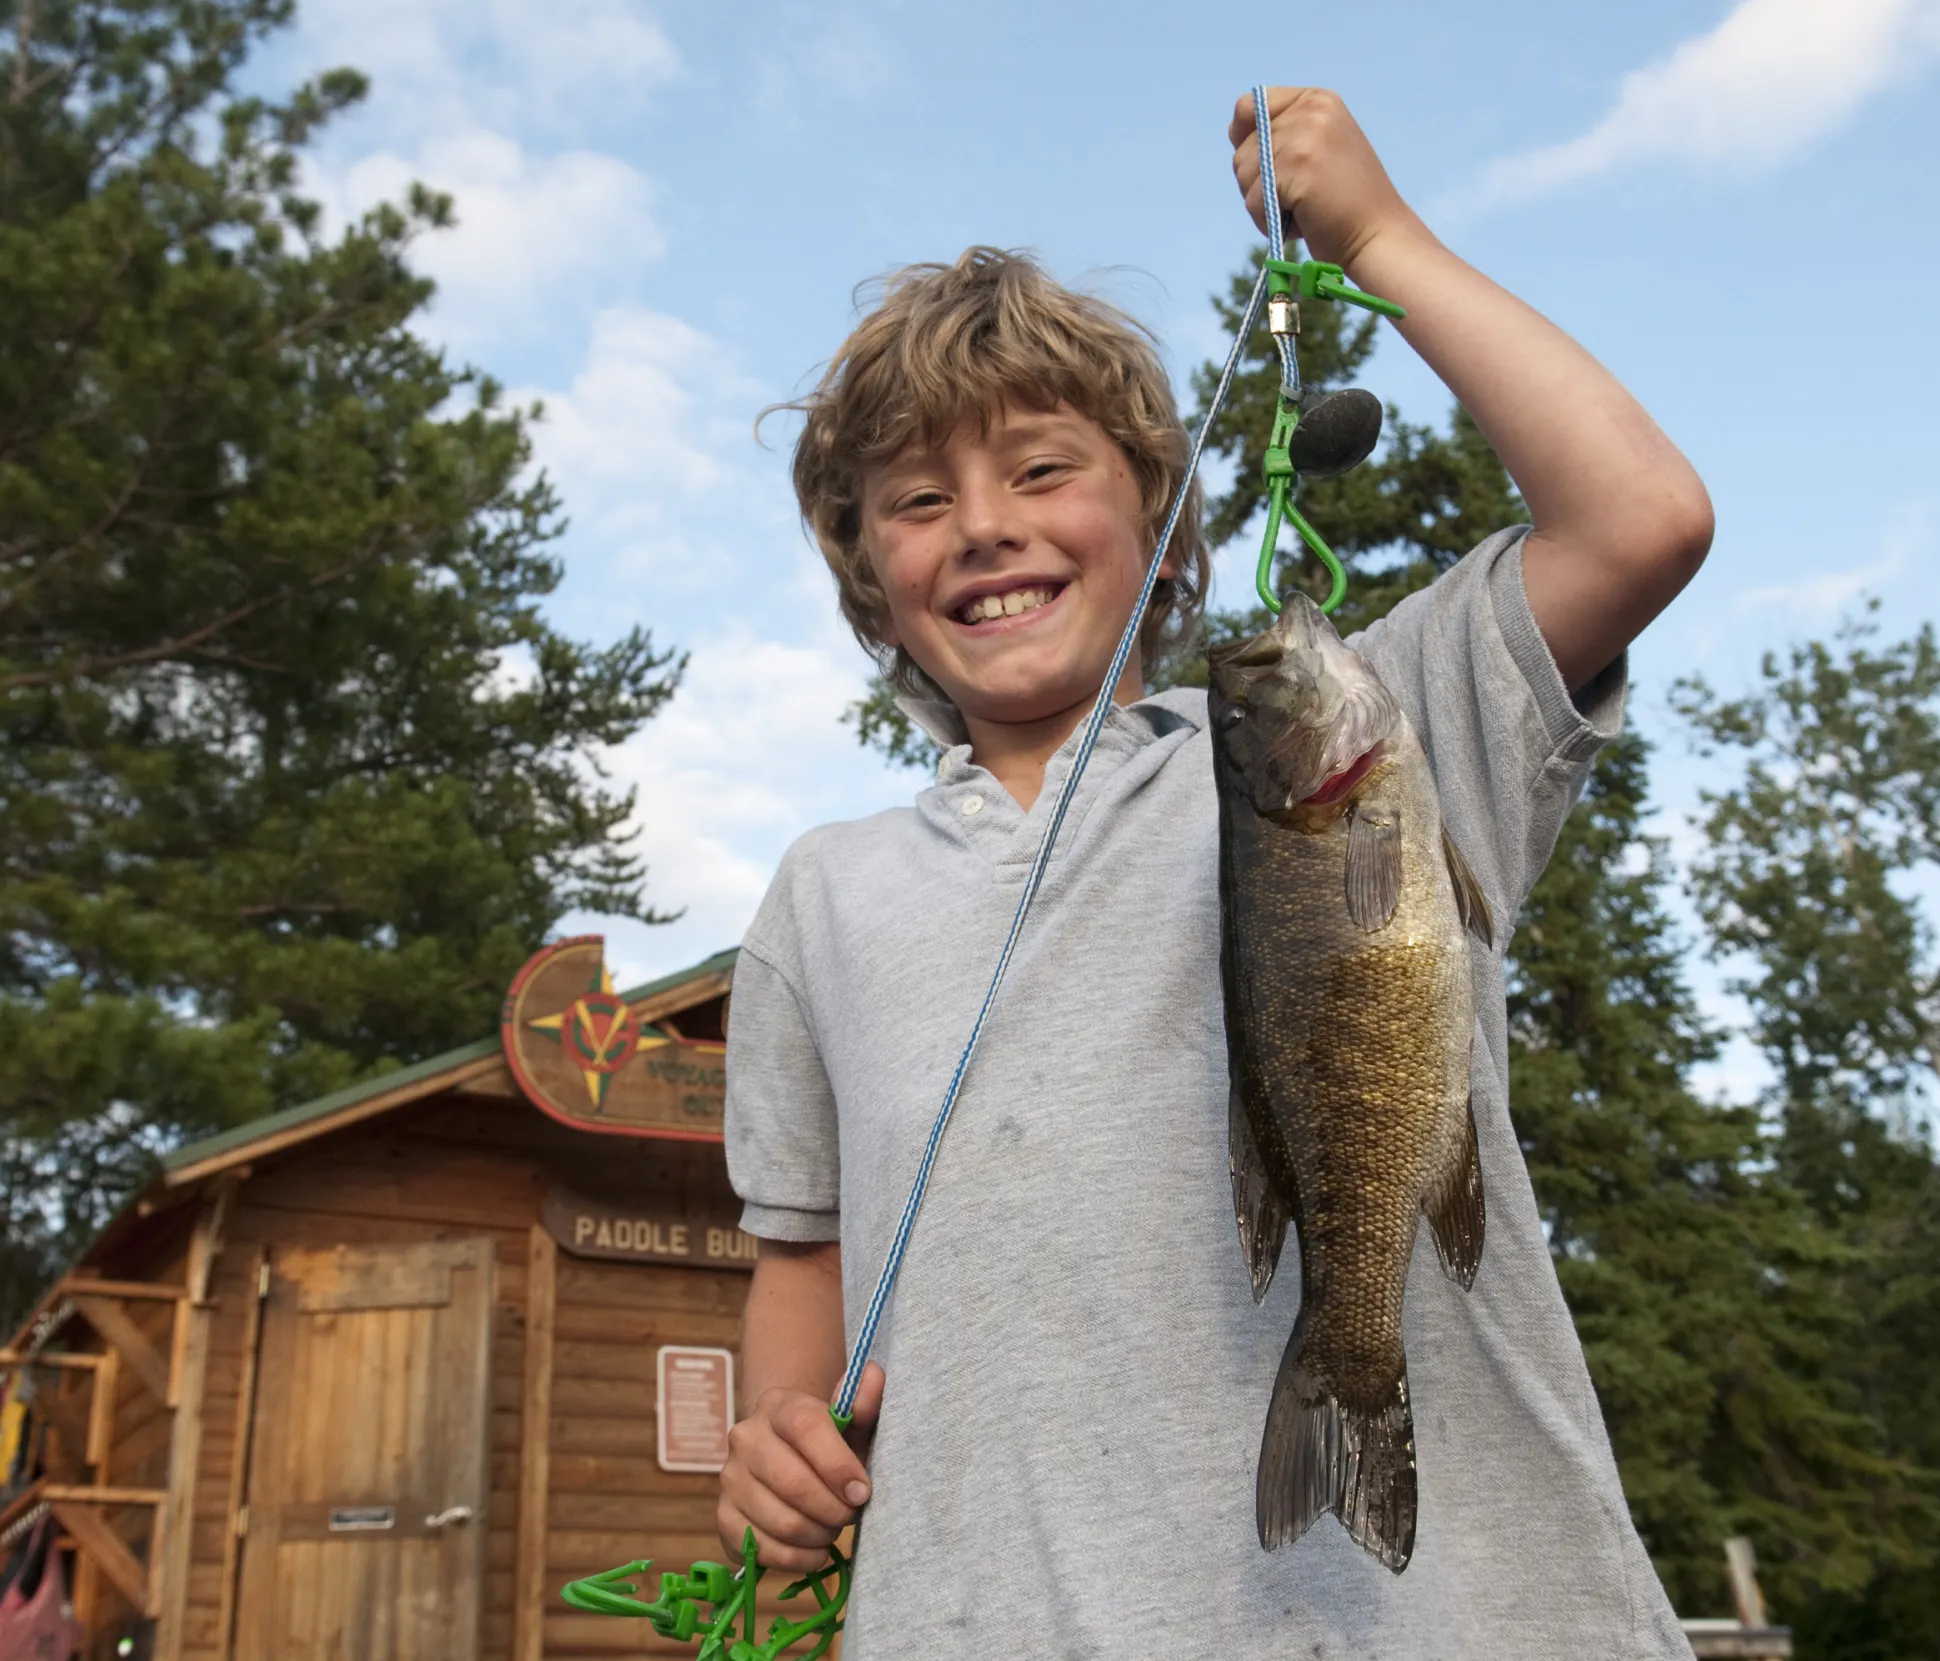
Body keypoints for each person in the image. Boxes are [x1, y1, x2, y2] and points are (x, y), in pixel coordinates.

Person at [718, 87, 1714, 1657]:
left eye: (1042, 472)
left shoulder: (1359, 744)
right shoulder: (820, 900)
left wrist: (1378, 241)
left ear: (1169, 531)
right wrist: (777, 1434)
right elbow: (801, 1252)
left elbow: (1643, 518)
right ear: (875, 595)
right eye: (917, 502)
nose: (982, 528)